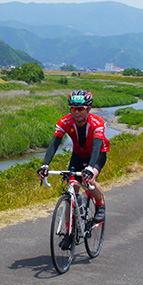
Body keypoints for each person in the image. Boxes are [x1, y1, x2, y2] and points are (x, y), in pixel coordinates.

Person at [37, 89, 110, 250]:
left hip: (97, 155)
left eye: (80, 108)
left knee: (89, 180)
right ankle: (70, 233)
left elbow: (97, 146)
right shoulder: (65, 122)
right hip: (78, 155)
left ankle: (100, 204)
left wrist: (91, 168)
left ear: (88, 109)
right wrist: (45, 164)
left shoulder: (98, 123)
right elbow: (55, 143)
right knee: (72, 187)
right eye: (73, 109)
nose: (76, 112)